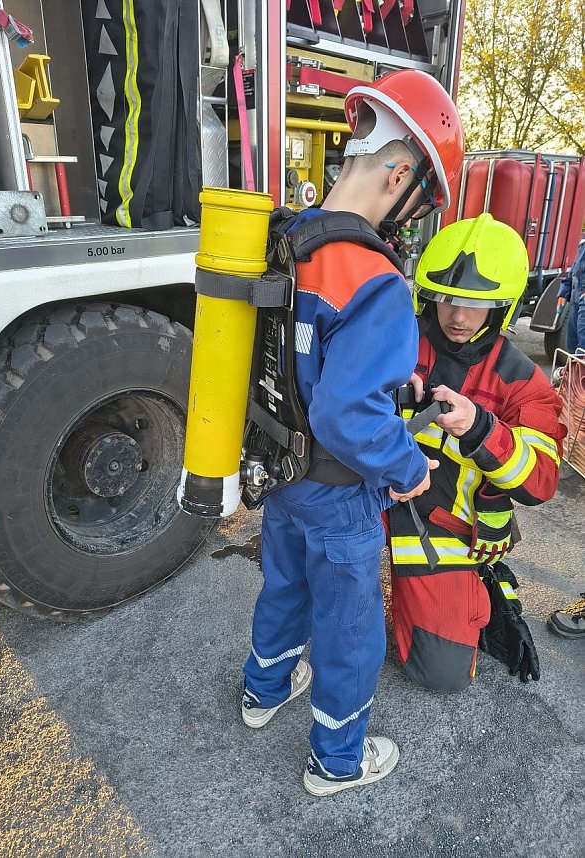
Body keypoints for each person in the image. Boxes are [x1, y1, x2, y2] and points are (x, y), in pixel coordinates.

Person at [240, 69, 465, 797]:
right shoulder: (374, 277)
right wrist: (404, 466)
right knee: (349, 631)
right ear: (400, 171)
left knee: (282, 587)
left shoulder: (286, 241)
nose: (412, 216)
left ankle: (263, 690)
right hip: (340, 494)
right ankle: (336, 761)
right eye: (419, 196)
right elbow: (346, 413)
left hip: (280, 473)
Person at [387, 213, 566, 693]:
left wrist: (481, 428)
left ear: (501, 307)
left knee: (442, 676)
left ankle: (477, 585)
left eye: (475, 303)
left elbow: (541, 480)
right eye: (447, 299)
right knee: (330, 604)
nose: (457, 316)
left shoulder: (522, 379)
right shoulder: (400, 338)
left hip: (444, 519)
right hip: (374, 492)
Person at [557, 238, 585, 354]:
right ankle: (575, 370)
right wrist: (563, 293)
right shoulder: (582, 246)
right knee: (572, 345)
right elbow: (573, 273)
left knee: (583, 346)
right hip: (576, 300)